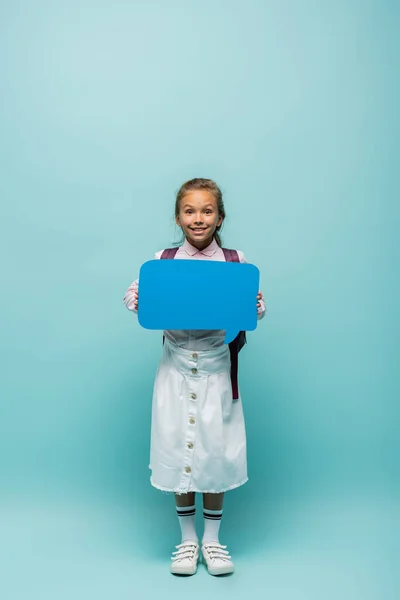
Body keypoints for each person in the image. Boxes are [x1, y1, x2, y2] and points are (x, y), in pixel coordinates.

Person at [123, 178, 266, 576]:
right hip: (175, 369)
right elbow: (136, 295)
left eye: (207, 211)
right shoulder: (163, 261)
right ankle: (187, 539)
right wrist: (135, 298)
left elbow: (252, 309)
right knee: (178, 449)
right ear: (177, 217)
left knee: (214, 452)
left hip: (218, 369)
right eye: (189, 211)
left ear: (220, 217)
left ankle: (213, 541)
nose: (198, 218)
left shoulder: (235, 262)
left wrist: (256, 305)